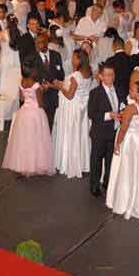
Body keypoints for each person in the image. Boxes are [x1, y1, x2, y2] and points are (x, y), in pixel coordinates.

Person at [105, 80, 139, 220]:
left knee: (127, 169)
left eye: (132, 90)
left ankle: (124, 200)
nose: (130, 91)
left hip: (131, 142)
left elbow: (123, 129)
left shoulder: (132, 108)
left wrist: (117, 144)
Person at [2, 64, 55, 177]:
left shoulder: (21, 82)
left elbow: (22, 98)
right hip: (35, 113)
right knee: (37, 140)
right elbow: (40, 104)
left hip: (24, 112)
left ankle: (23, 165)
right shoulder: (36, 85)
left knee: (24, 140)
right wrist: (43, 91)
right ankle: (35, 164)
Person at [53, 48, 94, 179]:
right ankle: (82, 162)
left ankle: (68, 162)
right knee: (81, 135)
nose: (72, 59)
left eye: (74, 57)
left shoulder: (77, 76)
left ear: (79, 60)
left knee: (71, 134)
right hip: (83, 108)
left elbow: (70, 95)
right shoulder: (88, 73)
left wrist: (59, 86)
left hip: (73, 108)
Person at [86, 62, 122, 197]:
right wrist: (109, 115)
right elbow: (91, 114)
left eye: (112, 75)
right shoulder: (95, 93)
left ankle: (107, 182)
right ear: (100, 76)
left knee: (110, 160)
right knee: (96, 160)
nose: (110, 78)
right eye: (107, 75)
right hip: (99, 132)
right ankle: (94, 185)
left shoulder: (118, 90)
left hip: (113, 131)